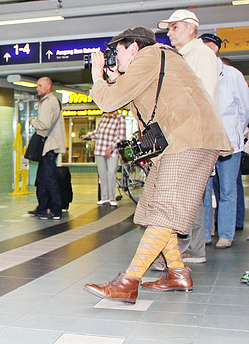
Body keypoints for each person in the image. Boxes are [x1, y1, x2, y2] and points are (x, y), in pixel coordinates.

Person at [83, 27, 231, 304]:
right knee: (152, 208)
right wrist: (116, 79)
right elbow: (135, 104)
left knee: (164, 212)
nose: (114, 57)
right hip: (178, 142)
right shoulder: (154, 60)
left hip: (191, 139)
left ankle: (128, 282)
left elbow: (107, 102)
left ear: (134, 47)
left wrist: (97, 75)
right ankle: (177, 272)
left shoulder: (151, 55)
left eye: (118, 51)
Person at [157, 9, 219, 264]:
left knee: (184, 194)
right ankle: (190, 249)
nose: (169, 32)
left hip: (193, 135)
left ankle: (188, 250)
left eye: (174, 27)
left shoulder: (201, 54)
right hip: (183, 134)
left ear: (190, 28)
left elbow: (202, 97)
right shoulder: (183, 55)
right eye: (169, 28)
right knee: (187, 194)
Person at [199, 34, 249, 249]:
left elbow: (244, 108)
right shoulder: (197, 74)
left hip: (229, 143)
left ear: (215, 49)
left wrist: (238, 131)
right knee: (204, 190)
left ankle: (226, 234)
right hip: (205, 142)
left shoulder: (233, 75)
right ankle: (206, 233)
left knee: (228, 190)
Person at [27, 77, 66, 220]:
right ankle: (42, 208)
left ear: (48, 86)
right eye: (37, 85)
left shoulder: (49, 102)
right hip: (48, 146)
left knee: (49, 179)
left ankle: (56, 210)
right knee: (42, 179)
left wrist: (33, 121)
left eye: (40, 86)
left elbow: (44, 125)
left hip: (50, 146)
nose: (37, 88)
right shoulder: (49, 101)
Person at [80, 111, 126, 207]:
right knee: (102, 174)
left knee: (111, 173)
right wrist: (87, 135)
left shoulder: (119, 118)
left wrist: (111, 148)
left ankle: (112, 198)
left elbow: (121, 136)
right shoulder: (104, 117)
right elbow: (98, 131)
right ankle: (104, 197)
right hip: (100, 149)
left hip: (112, 151)